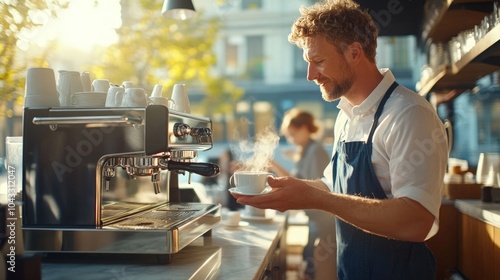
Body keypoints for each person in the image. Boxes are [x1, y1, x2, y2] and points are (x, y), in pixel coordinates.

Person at [231, 0, 449, 279]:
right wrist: (288, 191)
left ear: (354, 52)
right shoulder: (345, 116)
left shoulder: (409, 114)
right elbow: (331, 185)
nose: (311, 76)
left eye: (318, 61)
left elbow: (416, 221)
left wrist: (316, 198)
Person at [270, 108, 336, 280]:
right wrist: (273, 165)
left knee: (313, 267)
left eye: (293, 134)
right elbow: (295, 181)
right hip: (314, 219)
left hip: (322, 221)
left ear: (305, 128)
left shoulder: (315, 151)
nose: (291, 139)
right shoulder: (306, 150)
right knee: (308, 264)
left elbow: (314, 188)